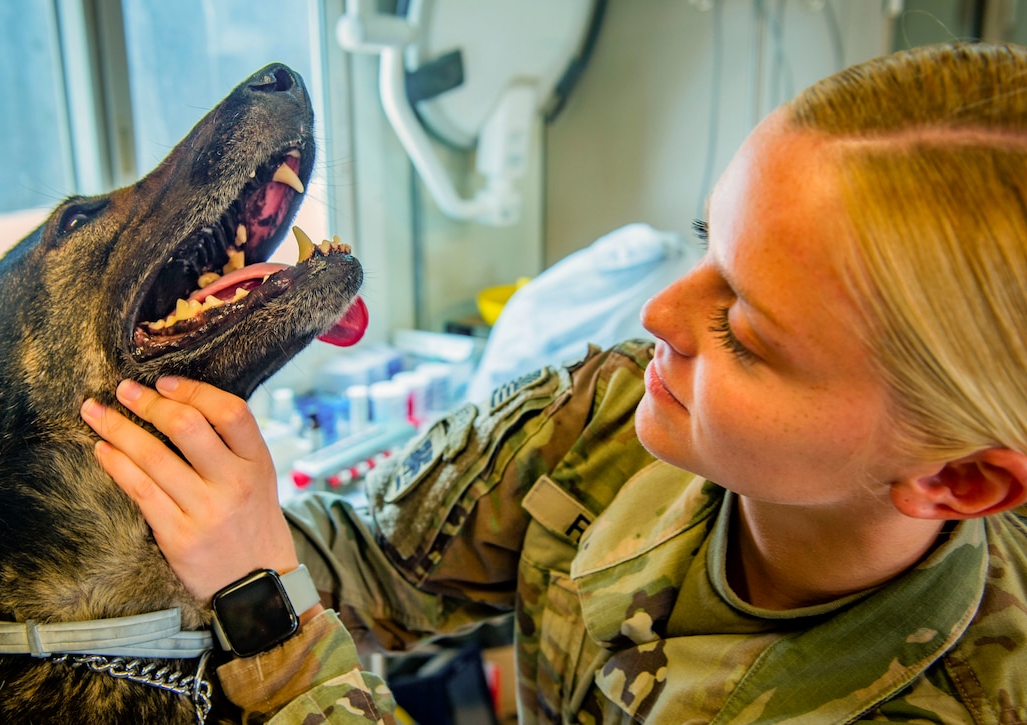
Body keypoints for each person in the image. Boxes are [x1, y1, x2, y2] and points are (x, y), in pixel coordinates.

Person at [80, 41, 1027, 723]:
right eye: (708, 245)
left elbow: (283, 601)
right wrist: (214, 515)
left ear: (958, 480)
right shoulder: (612, 413)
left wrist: (265, 612)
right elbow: (383, 562)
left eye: (741, 328)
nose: (658, 313)